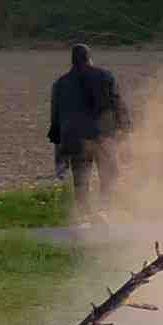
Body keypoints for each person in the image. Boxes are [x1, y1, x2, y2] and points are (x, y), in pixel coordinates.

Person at [45, 44, 126, 213]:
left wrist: (59, 156)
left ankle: (83, 217)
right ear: (89, 58)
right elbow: (118, 104)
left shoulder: (60, 84)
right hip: (102, 136)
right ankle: (106, 212)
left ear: (72, 61)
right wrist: (124, 128)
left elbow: (56, 119)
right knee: (109, 177)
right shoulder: (105, 76)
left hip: (75, 140)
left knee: (81, 182)